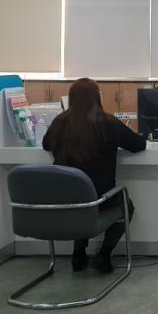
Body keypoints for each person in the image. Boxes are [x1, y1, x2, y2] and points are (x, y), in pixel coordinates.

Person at [42, 78, 146, 273]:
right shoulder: (108, 123)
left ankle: (79, 253)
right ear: (97, 98)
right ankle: (104, 255)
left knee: (80, 202)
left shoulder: (60, 121)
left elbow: (45, 144)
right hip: (100, 198)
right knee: (126, 205)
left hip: (64, 199)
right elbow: (138, 145)